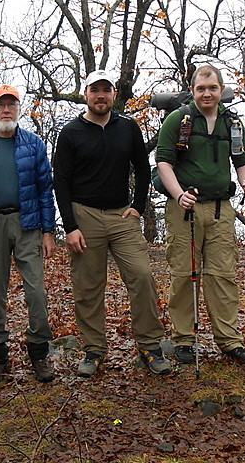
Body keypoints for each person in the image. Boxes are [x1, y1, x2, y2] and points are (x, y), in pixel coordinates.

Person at [53, 69, 170, 378]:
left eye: (106, 89)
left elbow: (143, 169)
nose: (100, 95)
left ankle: (149, 345)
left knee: (142, 276)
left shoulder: (128, 128)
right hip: (84, 216)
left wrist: (138, 207)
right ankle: (94, 350)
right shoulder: (70, 133)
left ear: (114, 94)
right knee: (88, 287)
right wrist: (70, 226)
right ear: (85, 94)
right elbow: (60, 181)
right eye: (95, 90)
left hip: (122, 215)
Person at [156, 65, 245, 365]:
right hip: (183, 209)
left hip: (220, 209)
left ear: (221, 88)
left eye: (212, 88)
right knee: (184, 274)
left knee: (223, 274)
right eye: (201, 88)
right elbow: (164, 162)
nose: (207, 93)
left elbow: (242, 160)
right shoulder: (178, 119)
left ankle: (229, 340)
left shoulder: (233, 122)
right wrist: (178, 194)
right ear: (192, 90)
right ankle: (184, 339)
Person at [0, 85, 57, 385]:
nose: (6, 110)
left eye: (11, 105)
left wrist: (48, 230)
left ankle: (39, 351)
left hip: (27, 222)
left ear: (19, 109)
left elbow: (45, 189)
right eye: (0, 105)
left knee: (36, 291)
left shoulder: (33, 144)